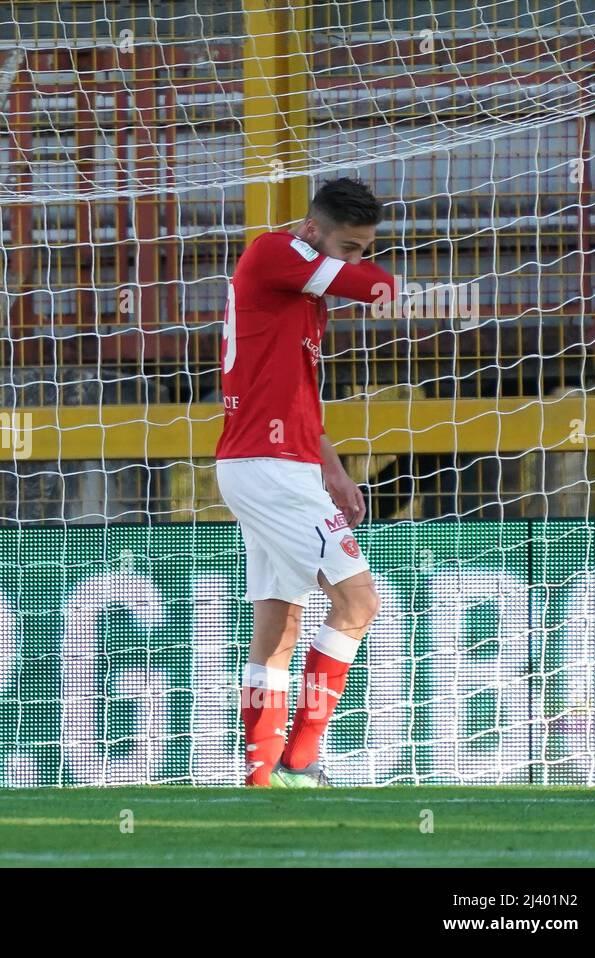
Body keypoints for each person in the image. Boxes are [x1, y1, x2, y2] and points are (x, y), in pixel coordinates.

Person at [215, 177, 396, 787]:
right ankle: (301, 758)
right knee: (359, 602)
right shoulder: (274, 252)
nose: (356, 258)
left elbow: (299, 397)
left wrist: (336, 473)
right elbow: (378, 288)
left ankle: (262, 774)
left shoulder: (301, 287)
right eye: (348, 245)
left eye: (365, 246)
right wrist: (368, 275)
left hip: (277, 464)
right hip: (268, 469)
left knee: (279, 629)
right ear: (313, 230)